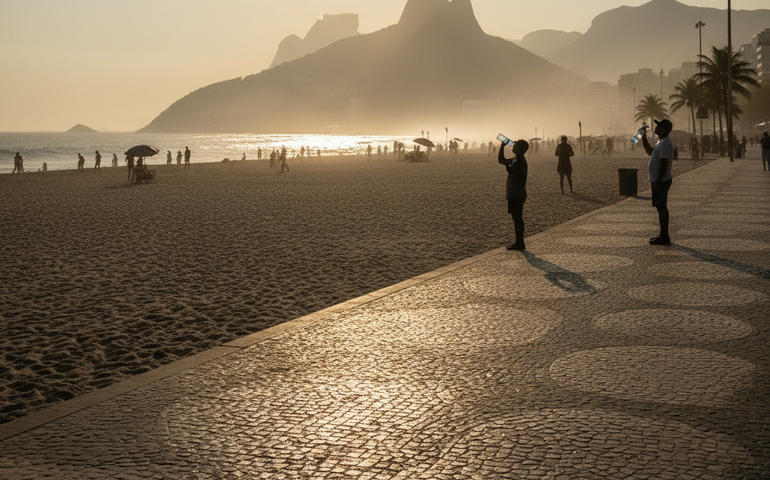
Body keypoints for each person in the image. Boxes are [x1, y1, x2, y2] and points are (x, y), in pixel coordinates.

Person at [642, 119, 674, 246]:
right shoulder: (661, 142)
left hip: (662, 180)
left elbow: (664, 164)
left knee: (661, 207)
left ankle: (664, 236)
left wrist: (658, 182)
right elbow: (650, 152)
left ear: (664, 129)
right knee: (660, 207)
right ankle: (663, 235)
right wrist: (643, 137)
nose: (656, 127)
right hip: (659, 180)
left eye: (659, 126)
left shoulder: (665, 144)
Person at [499, 138, 529, 251]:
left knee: (517, 218)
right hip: (516, 193)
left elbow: (515, 176)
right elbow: (501, 160)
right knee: (516, 218)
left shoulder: (519, 161)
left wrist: (508, 169)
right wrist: (502, 147)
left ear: (521, 149)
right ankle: (519, 242)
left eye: (516, 146)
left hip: (517, 193)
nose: (513, 147)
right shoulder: (517, 159)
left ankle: (520, 243)